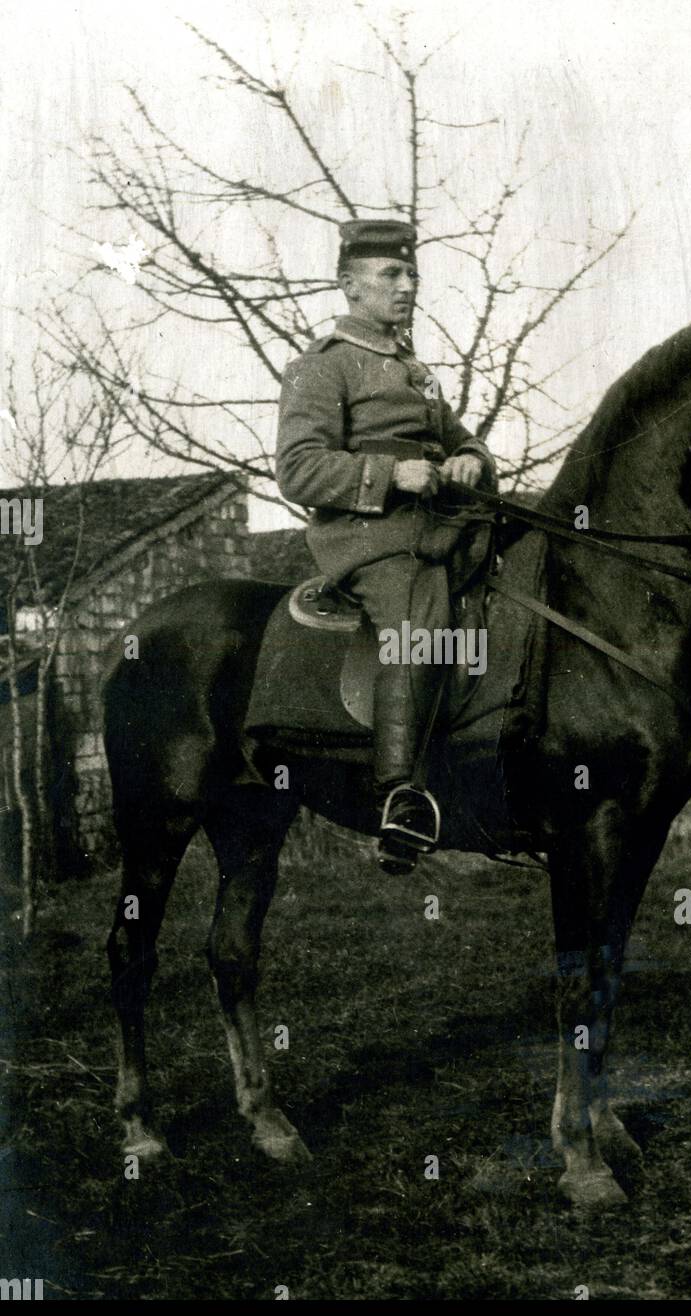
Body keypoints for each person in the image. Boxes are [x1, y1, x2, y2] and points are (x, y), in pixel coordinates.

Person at [274, 218, 497, 873]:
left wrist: (469, 462)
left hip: (441, 525)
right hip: (368, 537)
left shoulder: (416, 372)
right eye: (390, 275)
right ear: (348, 285)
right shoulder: (320, 368)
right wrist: (389, 474)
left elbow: (462, 438)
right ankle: (401, 797)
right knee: (417, 616)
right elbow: (297, 469)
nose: (407, 286)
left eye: (411, 275)